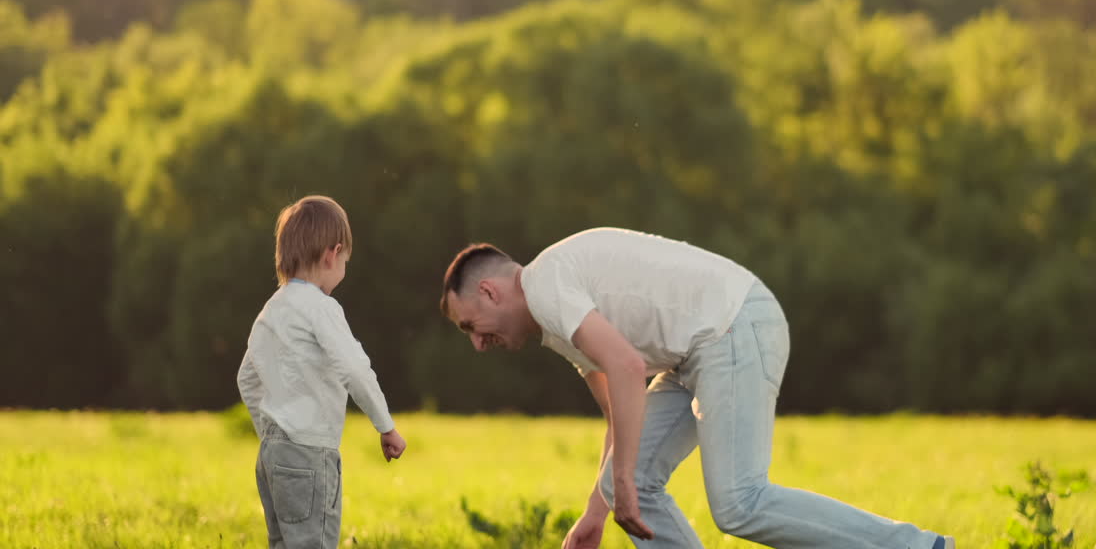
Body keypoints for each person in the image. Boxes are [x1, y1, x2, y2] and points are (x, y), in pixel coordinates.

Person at [439, 226, 955, 549]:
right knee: (631, 482)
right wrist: (597, 512)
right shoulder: (558, 321)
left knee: (738, 503)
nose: (478, 345)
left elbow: (623, 366)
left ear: (489, 290)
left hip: (732, 327)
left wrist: (618, 486)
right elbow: (621, 413)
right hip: (698, 352)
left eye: (470, 327)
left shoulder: (545, 287)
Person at [237, 195, 407, 548]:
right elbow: (355, 369)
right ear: (333, 253)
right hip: (310, 454)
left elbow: (247, 379)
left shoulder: (270, 310)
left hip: (271, 455)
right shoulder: (321, 308)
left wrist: (272, 433)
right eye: (345, 259)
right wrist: (385, 425)